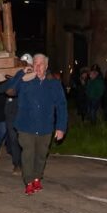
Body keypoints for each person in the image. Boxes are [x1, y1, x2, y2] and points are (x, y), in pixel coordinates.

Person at [13, 54, 68, 196]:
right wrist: (20, 73)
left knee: (41, 155)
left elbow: (61, 106)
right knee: (28, 153)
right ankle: (29, 181)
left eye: (41, 64)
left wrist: (61, 127)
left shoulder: (54, 84)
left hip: (45, 126)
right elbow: (7, 89)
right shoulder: (25, 81)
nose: (37, 66)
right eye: (35, 63)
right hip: (26, 126)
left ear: (46, 66)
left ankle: (37, 177)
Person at [1, 53, 32, 175]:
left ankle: (27, 162)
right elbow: (4, 89)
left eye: (26, 64)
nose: (24, 67)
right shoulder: (12, 77)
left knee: (26, 140)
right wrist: (19, 75)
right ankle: (17, 164)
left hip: (26, 112)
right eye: (21, 64)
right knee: (14, 139)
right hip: (12, 112)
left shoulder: (34, 77)